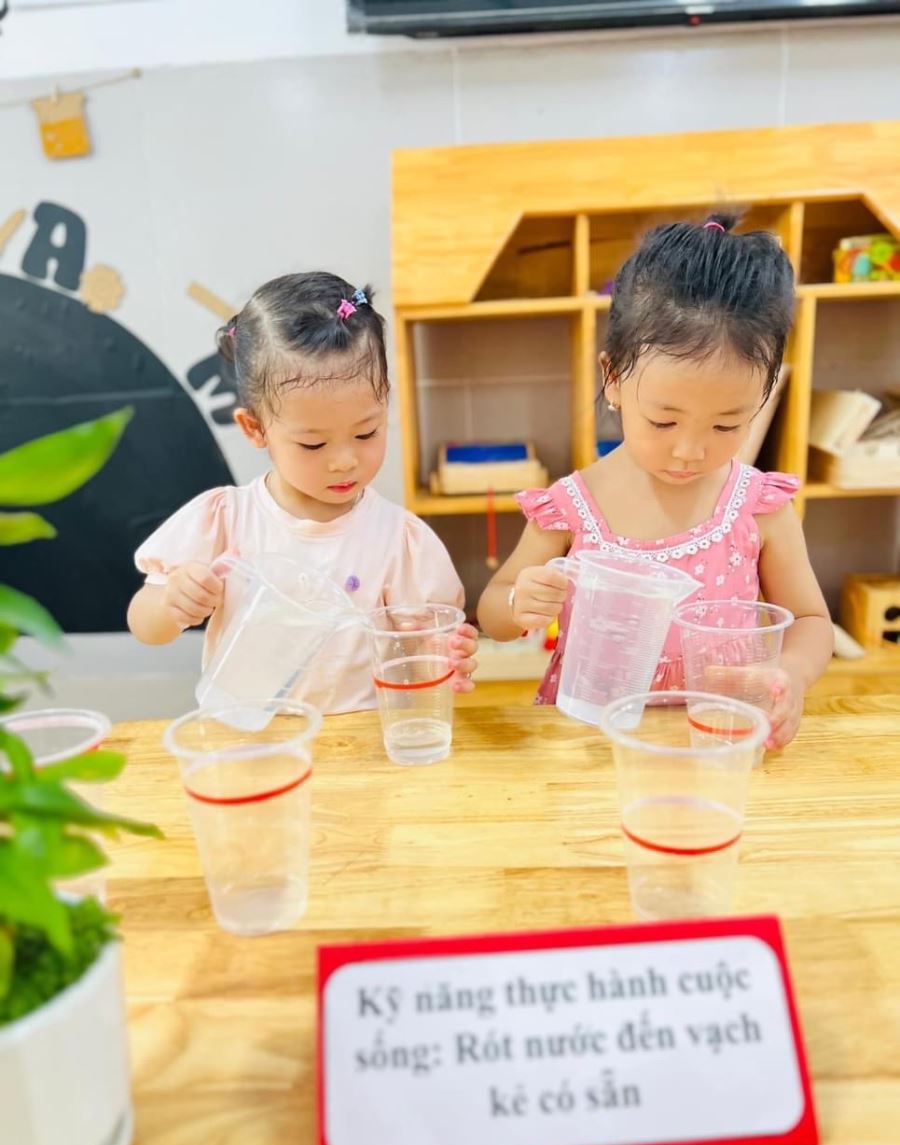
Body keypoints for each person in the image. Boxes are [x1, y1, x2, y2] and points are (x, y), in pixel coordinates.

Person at [477, 215, 832, 749]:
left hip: (715, 737)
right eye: (664, 422)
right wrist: (517, 603)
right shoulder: (572, 505)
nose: (690, 451)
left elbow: (810, 618)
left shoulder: (757, 507)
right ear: (613, 379)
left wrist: (792, 673)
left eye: (727, 426)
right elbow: (493, 610)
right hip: (590, 740)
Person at [128, 272, 477, 714]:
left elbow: (422, 648)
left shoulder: (397, 539)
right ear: (255, 428)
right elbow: (145, 625)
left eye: (366, 433)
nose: (344, 461)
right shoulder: (226, 518)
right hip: (250, 735)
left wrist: (444, 653)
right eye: (313, 444)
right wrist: (172, 602)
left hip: (358, 737)